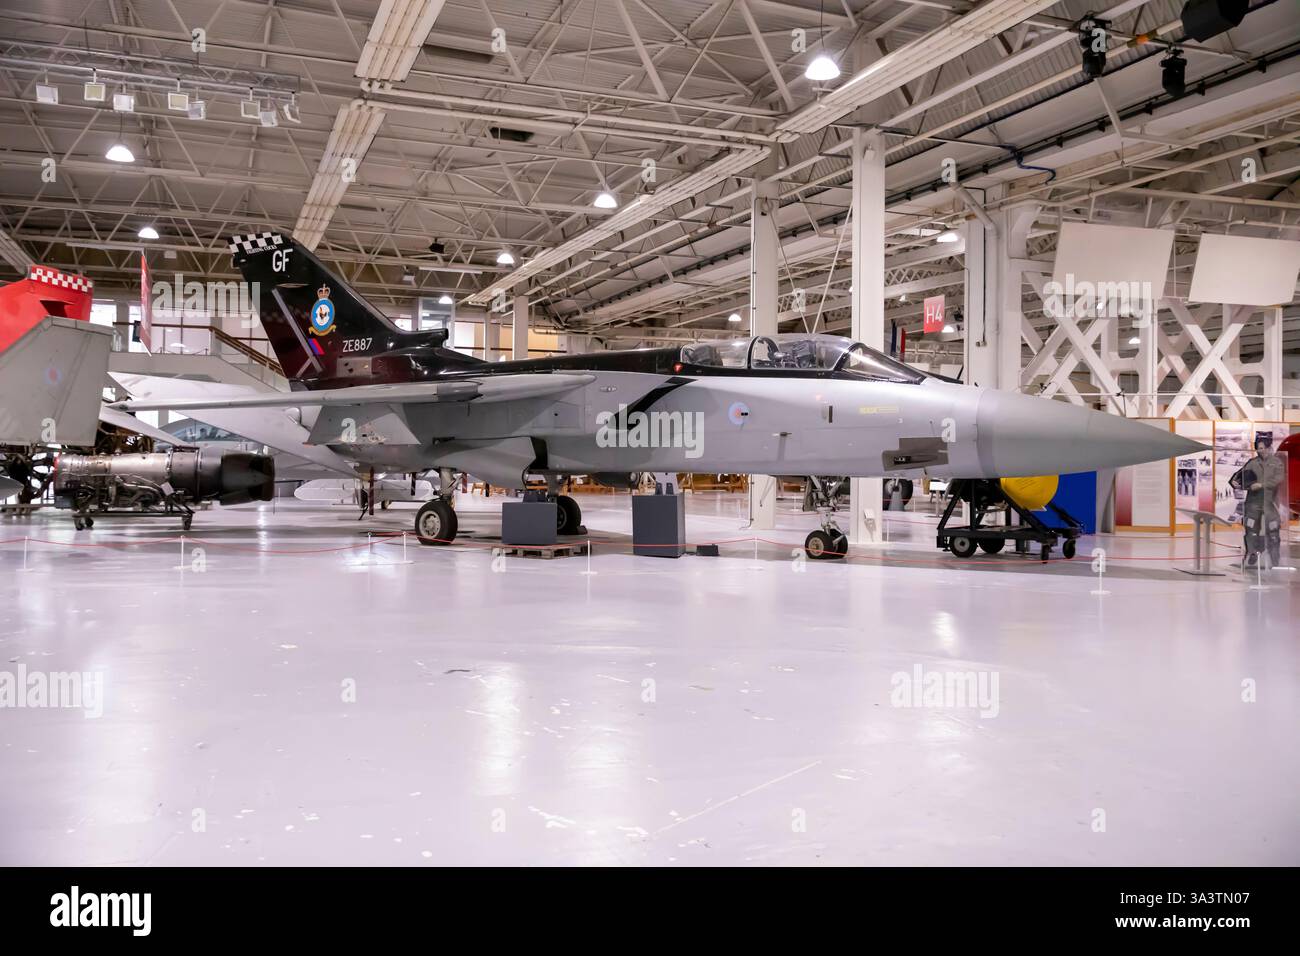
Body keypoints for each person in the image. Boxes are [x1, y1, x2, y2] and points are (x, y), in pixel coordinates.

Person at [1230, 433, 1285, 569]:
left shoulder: (1276, 462)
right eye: (1257, 448)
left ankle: (1274, 556)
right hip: (1253, 503)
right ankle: (1252, 553)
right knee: (1251, 530)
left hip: (1270, 502)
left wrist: (1262, 484)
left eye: (1261, 448)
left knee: (1273, 530)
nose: (1258, 451)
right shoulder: (1252, 463)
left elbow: (1279, 478)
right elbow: (1239, 475)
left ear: (1267, 448)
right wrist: (1234, 482)